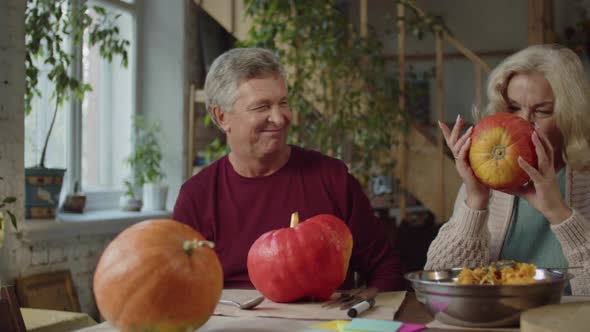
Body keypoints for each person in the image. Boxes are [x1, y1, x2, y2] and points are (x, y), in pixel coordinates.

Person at [173, 47, 405, 291]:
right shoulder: (196, 197)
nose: (280, 117)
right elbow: (179, 291)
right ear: (222, 117)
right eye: (261, 107)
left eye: (283, 103)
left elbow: (385, 270)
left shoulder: (332, 178)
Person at [425, 44, 590, 295]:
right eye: (513, 108)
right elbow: (438, 288)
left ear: (570, 115)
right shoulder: (486, 181)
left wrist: (559, 213)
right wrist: (476, 200)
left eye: (542, 111)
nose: (523, 122)